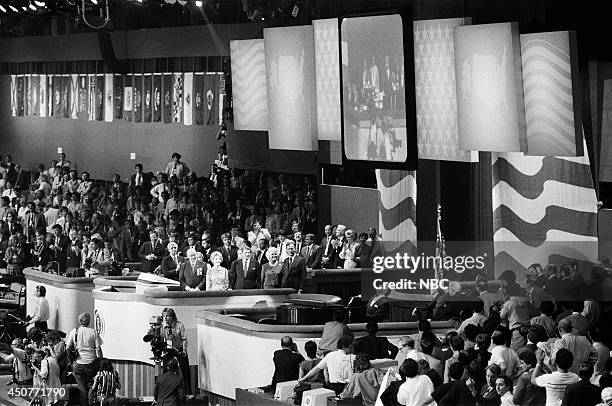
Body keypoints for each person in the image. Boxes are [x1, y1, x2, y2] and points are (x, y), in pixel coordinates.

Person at [66, 312, 103, 406]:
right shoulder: (93, 332)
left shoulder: (74, 331)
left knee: (82, 389)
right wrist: (101, 361)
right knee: (92, 387)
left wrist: (71, 360)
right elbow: (98, 348)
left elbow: (68, 348)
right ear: (89, 321)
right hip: (91, 362)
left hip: (78, 362)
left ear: (79, 321)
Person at [161, 308, 190, 395]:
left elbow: (184, 339)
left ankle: (188, 392)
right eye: (164, 316)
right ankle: (165, 391)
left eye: (167, 316)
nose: (165, 318)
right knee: (165, 369)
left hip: (179, 348)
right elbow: (163, 338)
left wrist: (184, 350)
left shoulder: (179, 325)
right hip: (169, 348)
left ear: (172, 316)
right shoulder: (163, 326)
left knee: (185, 371)